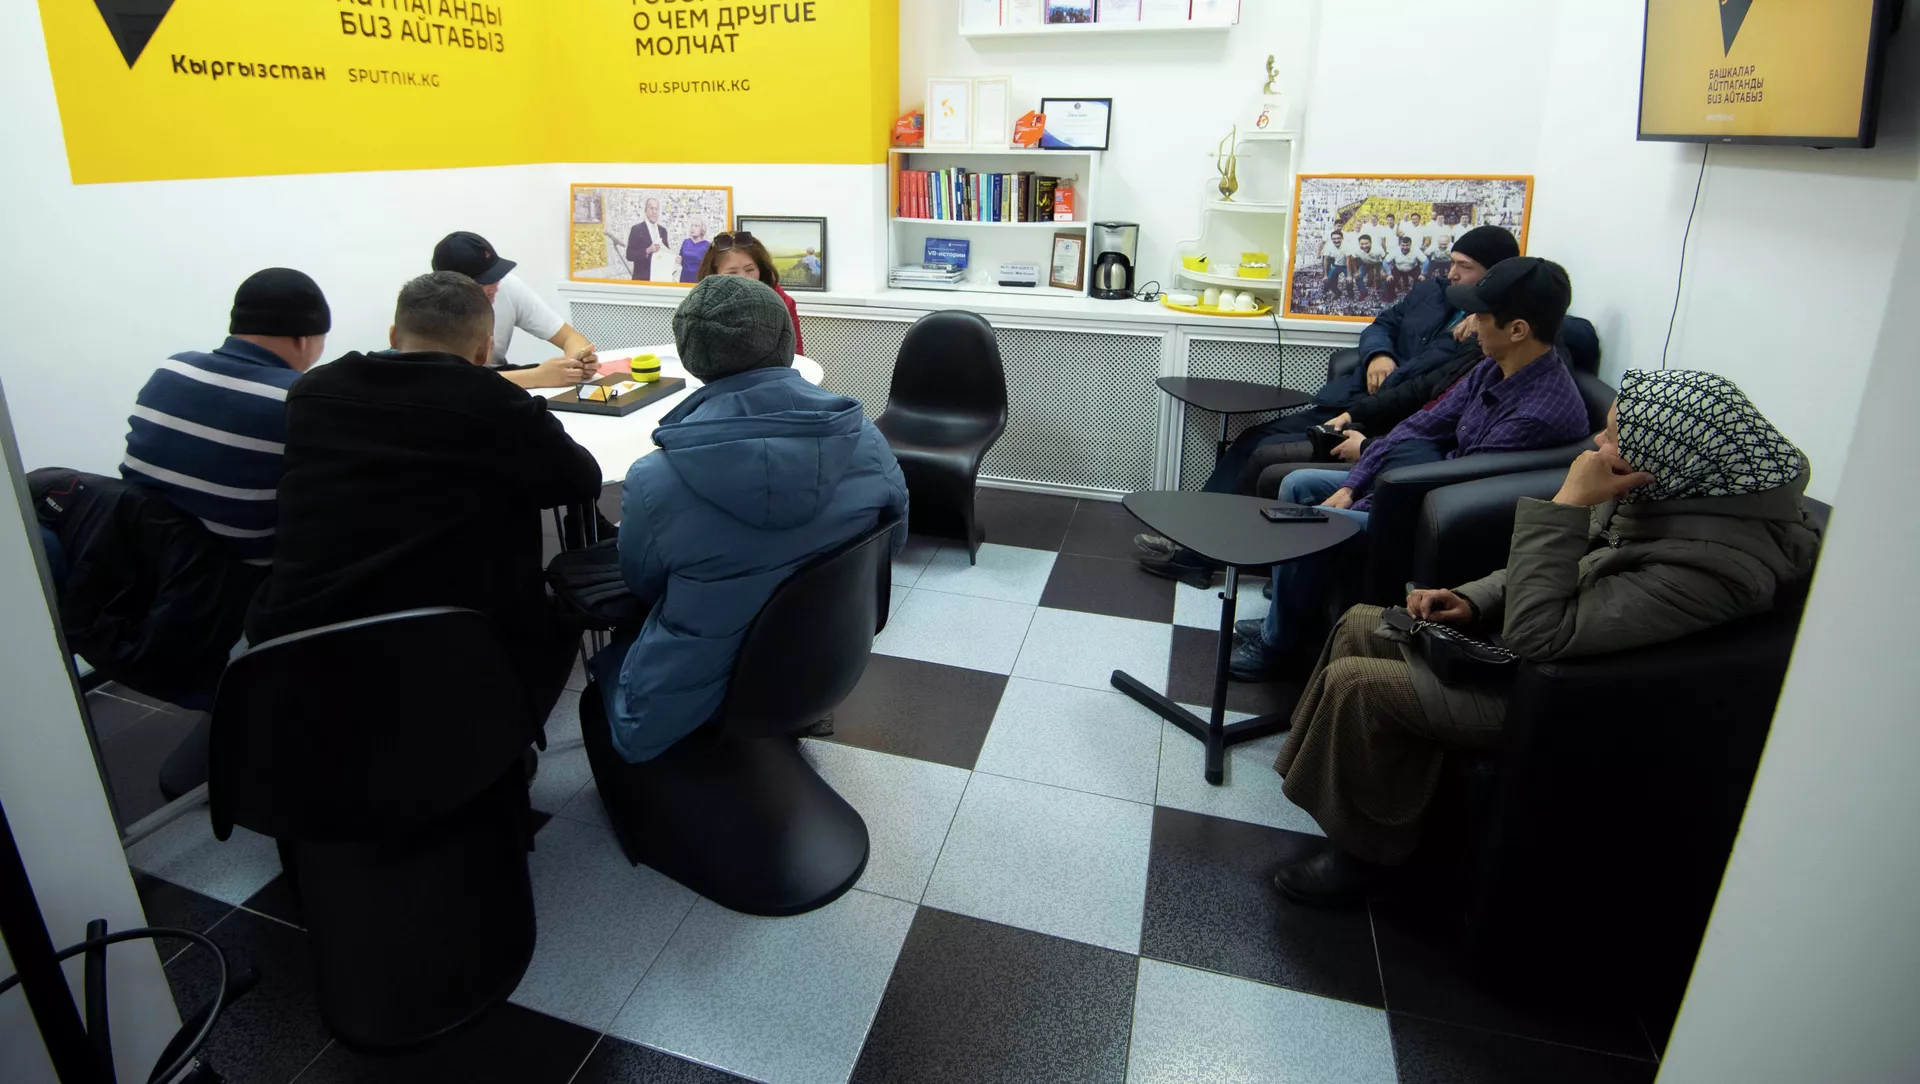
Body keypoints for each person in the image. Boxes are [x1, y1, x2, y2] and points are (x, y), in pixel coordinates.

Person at [1269, 370, 1822, 907]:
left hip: (1567, 701)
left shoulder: (1715, 567)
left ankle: (1367, 859)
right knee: (1365, 622)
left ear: (1667, 460)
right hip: (1544, 658)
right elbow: (1572, 568)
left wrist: (1565, 508)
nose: (1598, 443)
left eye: (1612, 435)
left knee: (1360, 684)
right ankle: (1355, 808)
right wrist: (1472, 598)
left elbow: (1540, 633)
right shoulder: (1665, 496)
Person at [248, 272, 601, 720]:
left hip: (292, 650)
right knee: (559, 606)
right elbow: (581, 481)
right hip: (455, 653)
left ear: (393, 336)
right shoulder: (497, 403)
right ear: (483, 351)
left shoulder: (311, 391)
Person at [589, 275, 907, 762]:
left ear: (691, 357)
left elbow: (643, 584)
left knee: (607, 669)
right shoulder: (865, 438)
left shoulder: (656, 479)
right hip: (831, 658)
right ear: (786, 342)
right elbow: (892, 542)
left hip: (694, 694)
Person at [1232, 256, 1594, 681]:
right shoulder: (1493, 368)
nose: (1472, 325)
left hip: (1439, 515)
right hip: (1419, 483)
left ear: (1517, 330)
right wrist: (1353, 485)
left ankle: (1278, 646)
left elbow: (1457, 483)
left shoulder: (1540, 412)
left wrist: (1363, 498)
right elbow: (1421, 424)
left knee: (1308, 522)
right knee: (1298, 484)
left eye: (1481, 316)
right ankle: (1290, 623)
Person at [1135, 226, 1525, 585]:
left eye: (1465, 267)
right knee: (1252, 437)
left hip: (1384, 422)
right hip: (1352, 399)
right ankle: (1195, 536)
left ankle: (1199, 556)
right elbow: (1382, 325)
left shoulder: (1492, 334)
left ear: (1494, 277)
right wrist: (1379, 355)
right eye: (1452, 262)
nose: (1452, 273)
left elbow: (1424, 393)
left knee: (1265, 453)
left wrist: (1483, 314)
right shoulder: (1431, 291)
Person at [121, 268, 331, 566]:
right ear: (304, 339)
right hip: (234, 578)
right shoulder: (297, 399)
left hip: (133, 558)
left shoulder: (172, 369)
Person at [431, 231, 600, 390]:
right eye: (484, 281)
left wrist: (575, 364)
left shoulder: (507, 287)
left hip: (498, 376)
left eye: (496, 276)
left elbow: (571, 337)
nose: (494, 286)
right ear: (451, 287)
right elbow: (449, 381)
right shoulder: (428, 309)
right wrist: (536, 376)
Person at [696, 230, 806, 355]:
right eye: (732, 272)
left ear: (761, 269)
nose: (744, 278)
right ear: (714, 274)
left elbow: (796, 356)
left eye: (750, 269)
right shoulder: (701, 306)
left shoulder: (783, 302)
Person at [621, 198, 675, 282]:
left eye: (656, 209)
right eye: (651, 208)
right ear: (645, 211)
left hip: (659, 278)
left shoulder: (663, 231)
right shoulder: (636, 229)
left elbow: (666, 254)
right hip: (642, 279)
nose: (654, 212)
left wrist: (674, 259)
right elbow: (629, 255)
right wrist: (647, 251)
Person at [1387, 235, 1424, 302]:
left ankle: (1416, 295)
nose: (1405, 247)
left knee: (1420, 280)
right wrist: (1389, 273)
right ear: (1400, 245)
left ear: (1411, 245)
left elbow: (1426, 261)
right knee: (1390, 280)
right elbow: (1385, 262)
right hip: (1399, 268)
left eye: (1407, 245)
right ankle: (1391, 295)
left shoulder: (1415, 250)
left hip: (1412, 268)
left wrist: (1423, 274)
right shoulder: (1395, 250)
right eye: (1403, 245)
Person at [679, 220, 712, 284]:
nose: (693, 228)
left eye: (696, 226)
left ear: (702, 229)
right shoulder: (686, 242)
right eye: (692, 226)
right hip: (684, 278)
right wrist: (678, 260)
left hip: (699, 279)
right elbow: (680, 259)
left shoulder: (707, 245)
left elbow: (709, 266)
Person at [1320, 229, 1349, 298]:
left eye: (1338, 238)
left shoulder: (1347, 245)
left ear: (1342, 238)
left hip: (1346, 265)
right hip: (1336, 265)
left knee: (1349, 280)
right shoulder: (1328, 246)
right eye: (1334, 239)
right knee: (1328, 280)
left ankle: (1350, 295)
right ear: (1331, 239)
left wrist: (1349, 275)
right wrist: (1325, 275)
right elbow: (1326, 260)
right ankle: (1337, 292)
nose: (1336, 240)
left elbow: (1349, 260)